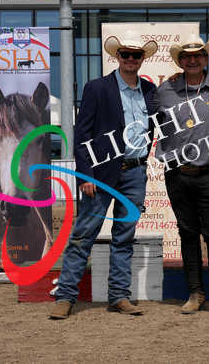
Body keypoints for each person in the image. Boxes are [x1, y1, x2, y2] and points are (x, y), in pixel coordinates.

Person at [50, 31, 159, 318]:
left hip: (136, 172)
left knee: (124, 237)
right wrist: (85, 175)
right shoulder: (97, 88)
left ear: (142, 59)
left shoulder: (150, 91)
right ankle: (65, 296)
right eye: (126, 54)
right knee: (83, 235)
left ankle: (118, 296)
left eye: (136, 55)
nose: (131, 59)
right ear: (117, 56)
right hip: (99, 174)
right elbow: (82, 134)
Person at [155, 34, 209, 318]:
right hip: (177, 174)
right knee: (187, 234)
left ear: (206, 58)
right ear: (179, 61)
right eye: (187, 56)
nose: (192, 60)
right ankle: (195, 293)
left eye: (198, 55)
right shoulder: (165, 90)